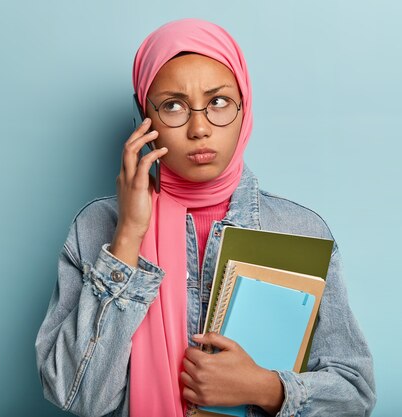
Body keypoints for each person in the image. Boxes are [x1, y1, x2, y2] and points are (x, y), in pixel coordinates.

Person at [35, 18, 376, 417]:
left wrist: (266, 388)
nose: (199, 128)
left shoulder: (299, 229)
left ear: (244, 107)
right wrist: (128, 235)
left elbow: (356, 395)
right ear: (142, 117)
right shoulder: (96, 227)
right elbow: (80, 397)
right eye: (173, 106)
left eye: (218, 102)